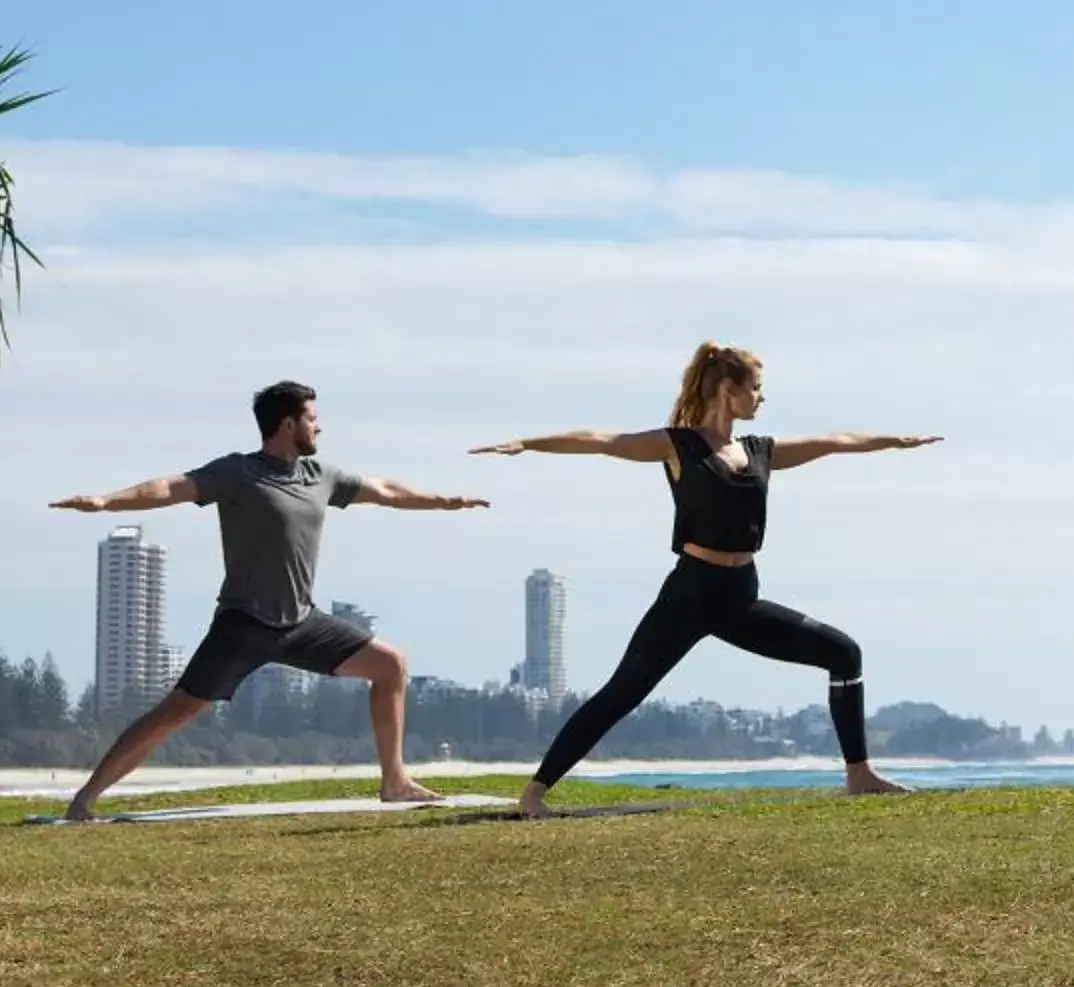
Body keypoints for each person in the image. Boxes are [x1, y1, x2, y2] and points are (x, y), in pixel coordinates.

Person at [471, 341, 939, 817]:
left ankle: (859, 775)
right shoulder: (677, 445)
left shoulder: (760, 451)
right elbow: (600, 440)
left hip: (740, 599)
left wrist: (895, 441)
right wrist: (527, 444)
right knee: (623, 693)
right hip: (690, 595)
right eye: (756, 388)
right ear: (728, 390)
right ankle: (534, 795)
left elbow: (837, 441)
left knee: (844, 653)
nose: (761, 398)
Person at [50, 380, 488, 820]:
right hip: (244, 625)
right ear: (287, 423)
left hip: (302, 623)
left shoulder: (321, 477)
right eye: (312, 420)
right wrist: (107, 501)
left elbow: (387, 491)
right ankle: (84, 800)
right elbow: (170, 487)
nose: (319, 428)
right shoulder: (238, 473)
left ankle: (394, 782)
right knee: (173, 714)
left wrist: (445, 501)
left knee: (390, 664)